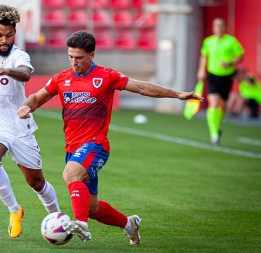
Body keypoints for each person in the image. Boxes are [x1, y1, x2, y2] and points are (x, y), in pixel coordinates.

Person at [17, 31, 203, 245]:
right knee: (92, 208)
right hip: (73, 149)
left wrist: (177, 94)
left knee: (70, 174)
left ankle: (81, 224)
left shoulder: (106, 76)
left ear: (92, 55)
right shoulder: (62, 78)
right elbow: (37, 97)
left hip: (96, 145)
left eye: (79, 58)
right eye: (70, 57)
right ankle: (129, 225)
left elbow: (142, 87)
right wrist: (26, 107)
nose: (74, 62)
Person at [0, 5, 60, 239]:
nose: (4, 40)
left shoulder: (19, 56)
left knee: (36, 182)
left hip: (19, 126)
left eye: (9, 35)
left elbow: (26, 74)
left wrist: (8, 71)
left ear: (15, 33)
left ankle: (57, 218)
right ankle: (14, 210)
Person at [197, 18, 245, 145]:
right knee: (213, 103)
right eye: (216, 26)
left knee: (222, 106)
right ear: (213, 28)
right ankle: (214, 134)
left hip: (227, 77)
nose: (218, 28)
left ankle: (218, 125)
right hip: (213, 75)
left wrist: (230, 63)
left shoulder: (231, 41)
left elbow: (241, 56)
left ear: (225, 27)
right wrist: (201, 70)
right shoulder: (208, 41)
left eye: (220, 26)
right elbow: (204, 56)